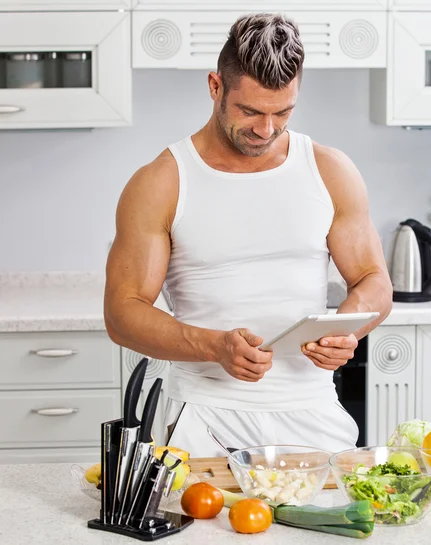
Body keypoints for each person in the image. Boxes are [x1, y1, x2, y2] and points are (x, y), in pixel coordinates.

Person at [104, 13, 392, 457]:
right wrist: (213, 346)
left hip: (312, 413)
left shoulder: (330, 170)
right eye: (251, 111)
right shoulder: (162, 181)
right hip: (203, 418)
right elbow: (122, 313)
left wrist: (347, 329)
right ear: (216, 87)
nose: (267, 129)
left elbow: (374, 279)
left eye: (283, 112)